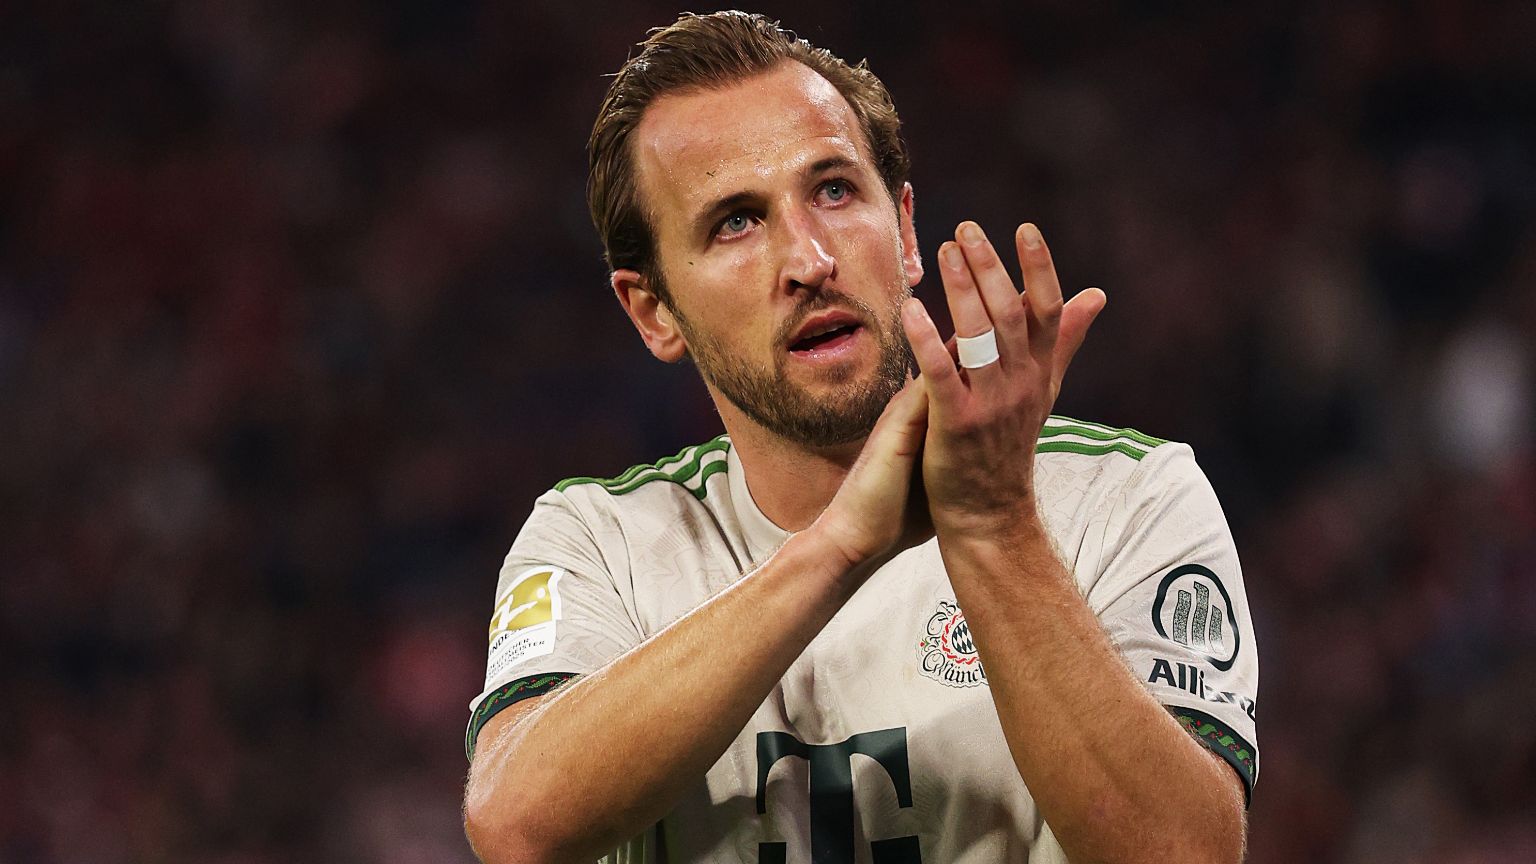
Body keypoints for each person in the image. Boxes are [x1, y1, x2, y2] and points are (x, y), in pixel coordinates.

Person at [463, 11, 1257, 863]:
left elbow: (1186, 854)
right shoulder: (599, 540)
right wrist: (838, 546)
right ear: (653, 311)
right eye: (735, 222)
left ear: (906, 231)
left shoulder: (1128, 496)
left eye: (835, 191)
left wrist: (993, 525)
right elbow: (515, 825)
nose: (810, 260)